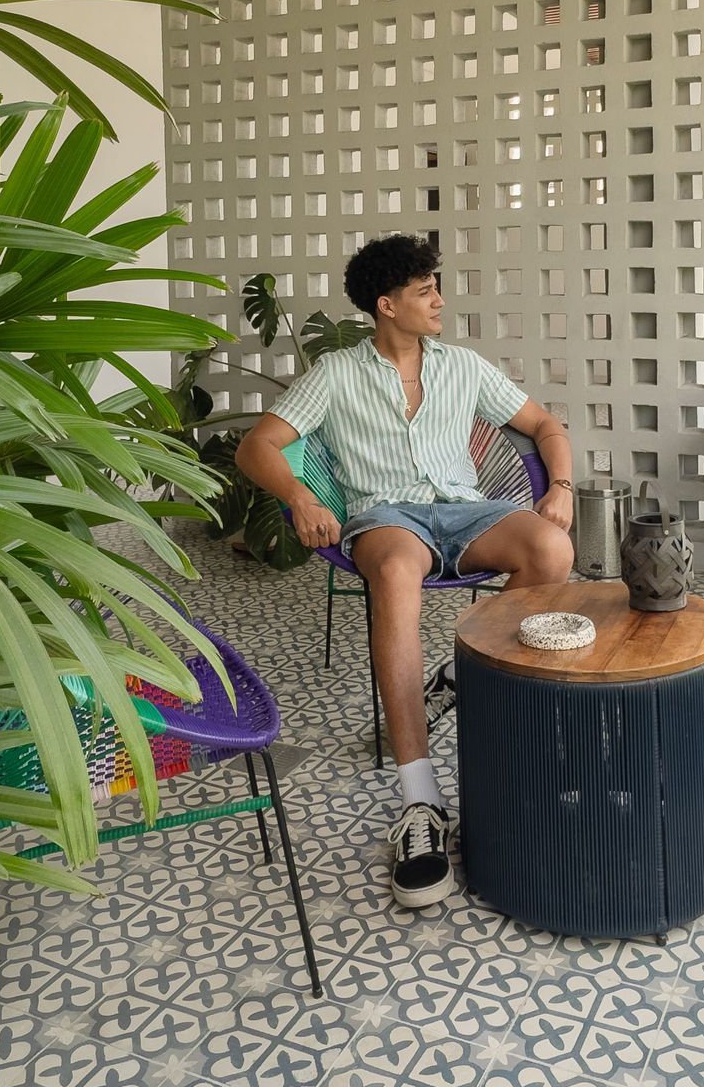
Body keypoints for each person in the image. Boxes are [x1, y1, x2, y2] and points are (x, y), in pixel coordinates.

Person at [235, 234, 574, 907]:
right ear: (386, 306)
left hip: (466, 511)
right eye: (425, 293)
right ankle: (419, 803)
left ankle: (461, 675)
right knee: (393, 570)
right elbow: (258, 446)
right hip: (386, 519)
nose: (439, 301)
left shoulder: (466, 367)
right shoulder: (336, 375)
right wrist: (300, 495)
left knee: (551, 552)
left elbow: (544, 424)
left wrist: (560, 485)